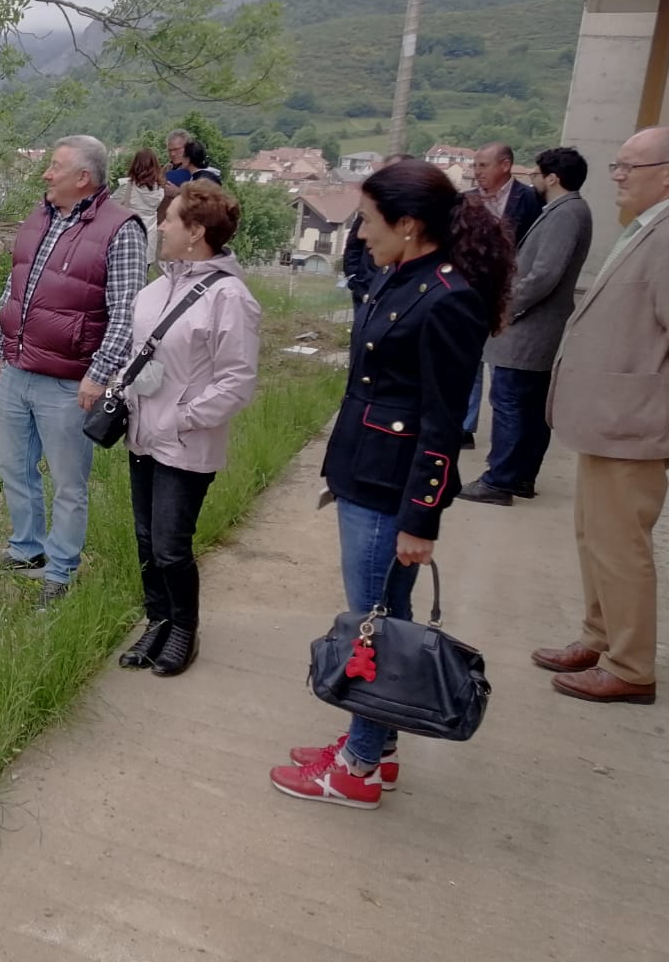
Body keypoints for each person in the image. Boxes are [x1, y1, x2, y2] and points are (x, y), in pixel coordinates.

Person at [270, 160, 514, 808]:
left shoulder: (447, 296)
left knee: (373, 622)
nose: (360, 233)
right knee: (374, 616)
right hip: (362, 469)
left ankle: (354, 768)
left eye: (370, 222)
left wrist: (420, 519)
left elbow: (442, 425)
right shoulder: (400, 276)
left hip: (389, 490)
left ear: (408, 225)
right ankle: (374, 747)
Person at [0, 135, 146, 608]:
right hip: (17, 368)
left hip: (70, 381)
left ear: (83, 178)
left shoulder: (121, 229)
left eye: (55, 167)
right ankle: (26, 549)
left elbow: (127, 312)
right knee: (14, 466)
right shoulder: (40, 216)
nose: (45, 174)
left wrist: (100, 373)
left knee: (69, 483)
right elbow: (16, 289)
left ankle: (61, 567)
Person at [534, 125, 669, 705]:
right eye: (616, 166)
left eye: (628, 167)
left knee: (621, 546)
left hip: (634, 422)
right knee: (595, 536)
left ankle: (632, 664)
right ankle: (599, 636)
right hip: (608, 422)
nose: (616, 177)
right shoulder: (645, 230)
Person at [115, 183, 260, 677]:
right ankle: (156, 620)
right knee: (145, 539)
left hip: (184, 441)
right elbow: (141, 358)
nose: (160, 226)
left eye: (169, 219)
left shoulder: (229, 298)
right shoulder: (156, 288)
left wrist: (183, 418)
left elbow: (236, 380)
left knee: (172, 544)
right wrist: (124, 390)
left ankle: (183, 630)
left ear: (196, 232)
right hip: (142, 434)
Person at [459, 147, 593, 506]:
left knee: (509, 402)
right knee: (528, 406)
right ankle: (519, 476)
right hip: (535, 327)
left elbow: (543, 275)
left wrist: (506, 306)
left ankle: (499, 481)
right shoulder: (564, 211)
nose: (531, 180)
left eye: (536, 173)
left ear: (552, 178)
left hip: (529, 329)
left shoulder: (566, 214)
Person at [461, 141, 542, 444]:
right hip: (469, 294)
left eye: (483, 165)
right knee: (468, 361)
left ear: (505, 165)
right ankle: (464, 426)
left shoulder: (531, 200)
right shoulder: (466, 201)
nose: (477, 172)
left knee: (501, 370)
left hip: (509, 296)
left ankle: (504, 435)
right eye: (475, 166)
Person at [342, 153, 414, 310]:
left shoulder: (417, 213)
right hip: (366, 287)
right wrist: (354, 277)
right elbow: (353, 244)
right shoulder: (371, 206)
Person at [115, 147, 165, 236]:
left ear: (135, 164)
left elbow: (109, 205)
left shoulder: (127, 187)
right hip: (151, 236)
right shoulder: (160, 189)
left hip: (131, 234)